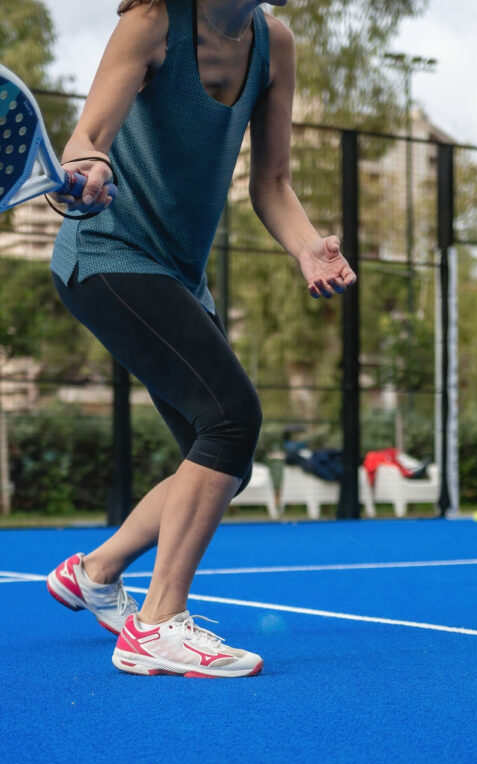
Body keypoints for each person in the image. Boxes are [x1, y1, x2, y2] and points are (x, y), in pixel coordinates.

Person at [44, 0, 356, 678]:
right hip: (107, 255)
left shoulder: (273, 43)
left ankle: (95, 572)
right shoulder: (153, 23)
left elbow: (271, 182)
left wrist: (308, 248)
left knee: (219, 463)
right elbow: (87, 137)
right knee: (231, 417)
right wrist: (89, 171)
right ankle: (156, 625)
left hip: (180, 274)